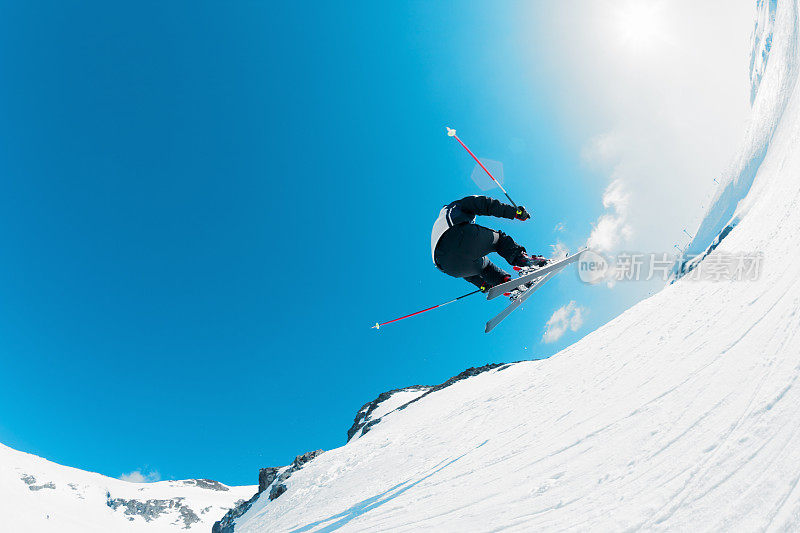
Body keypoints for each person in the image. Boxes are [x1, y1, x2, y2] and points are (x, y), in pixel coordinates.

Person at [431, 195, 548, 291]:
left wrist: (483, 284)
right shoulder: (455, 206)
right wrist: (514, 212)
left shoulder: (438, 226)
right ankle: (526, 261)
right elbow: (484, 204)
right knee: (499, 240)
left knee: (484, 267)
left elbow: (464, 269)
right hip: (457, 235)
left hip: (449, 268)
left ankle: (509, 285)